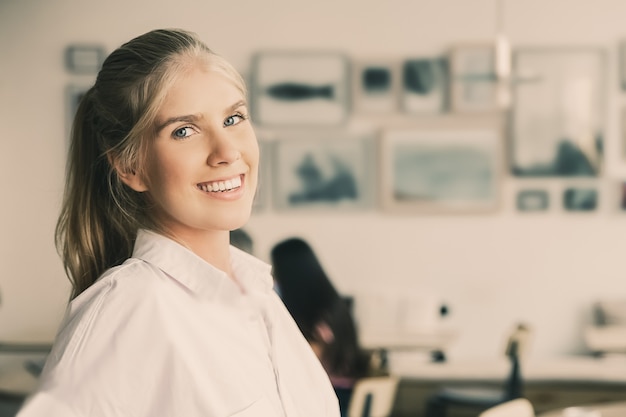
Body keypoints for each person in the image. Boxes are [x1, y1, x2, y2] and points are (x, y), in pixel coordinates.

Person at [17, 28, 339, 417]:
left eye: (233, 118)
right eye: (184, 130)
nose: (226, 151)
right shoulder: (127, 309)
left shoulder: (259, 295)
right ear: (130, 166)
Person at [270, 238, 371, 417]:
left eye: (276, 270)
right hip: (349, 394)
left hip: (336, 399)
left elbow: (303, 363)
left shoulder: (314, 319)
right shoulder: (335, 305)